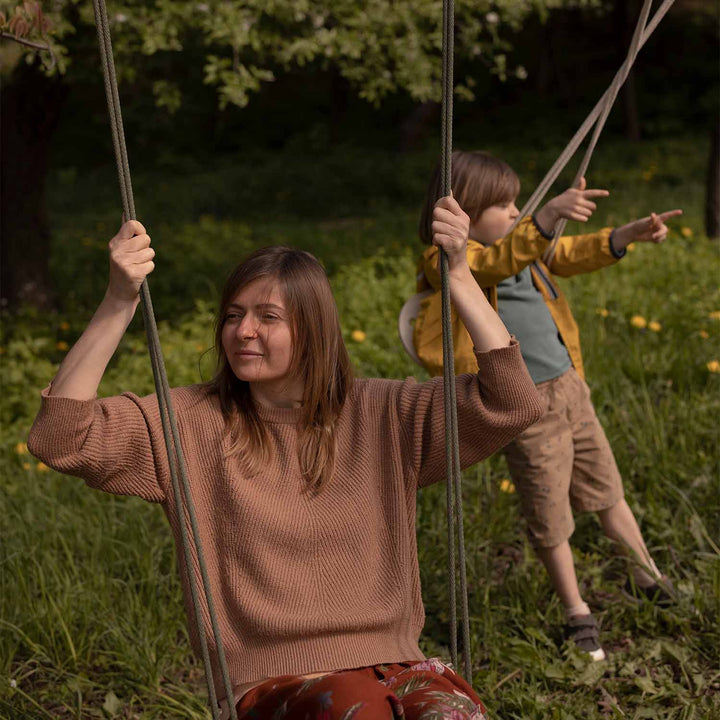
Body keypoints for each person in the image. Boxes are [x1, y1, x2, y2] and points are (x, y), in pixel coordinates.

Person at [28, 201, 543, 720]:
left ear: (313, 330)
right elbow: (61, 437)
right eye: (233, 315)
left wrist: (458, 275)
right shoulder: (188, 422)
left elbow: (513, 402)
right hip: (268, 681)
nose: (243, 331)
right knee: (353, 709)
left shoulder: (384, 414)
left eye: (267, 316)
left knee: (450, 714)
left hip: (395, 664)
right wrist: (119, 300)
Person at [414, 151, 682, 662]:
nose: (516, 211)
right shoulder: (448, 260)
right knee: (549, 510)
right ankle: (577, 610)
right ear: (465, 210)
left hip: (568, 388)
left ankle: (648, 574)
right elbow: (494, 262)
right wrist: (544, 216)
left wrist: (624, 235)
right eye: (504, 204)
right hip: (526, 406)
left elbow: (562, 254)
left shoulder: (525, 249)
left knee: (608, 488)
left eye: (519, 204)